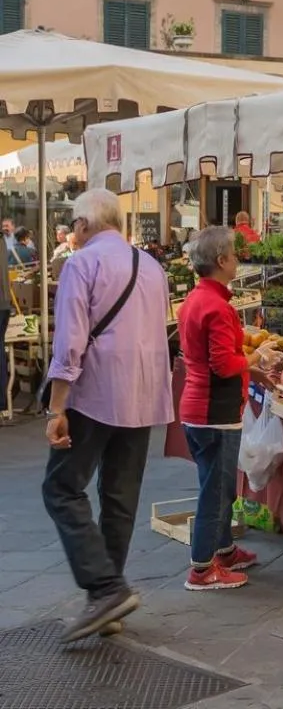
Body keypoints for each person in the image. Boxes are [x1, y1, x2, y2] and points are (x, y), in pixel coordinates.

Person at [42, 189, 172, 641]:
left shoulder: (81, 264)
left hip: (95, 392)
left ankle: (105, 587)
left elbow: (70, 343)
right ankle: (109, 601)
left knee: (61, 488)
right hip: (143, 395)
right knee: (120, 498)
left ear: (82, 226)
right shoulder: (152, 267)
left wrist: (56, 407)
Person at [177, 227, 266, 590]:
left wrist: (249, 365)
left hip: (198, 409)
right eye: (233, 254)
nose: (237, 260)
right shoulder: (216, 307)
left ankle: (224, 549)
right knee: (215, 491)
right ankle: (201, 569)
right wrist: (255, 356)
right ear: (220, 261)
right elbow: (223, 365)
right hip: (215, 412)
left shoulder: (196, 299)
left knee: (219, 484)